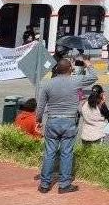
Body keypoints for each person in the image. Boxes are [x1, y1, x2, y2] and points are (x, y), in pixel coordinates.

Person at [36, 58, 97, 194]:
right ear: (70, 69)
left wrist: (38, 120)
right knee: (66, 153)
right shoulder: (76, 81)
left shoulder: (47, 84)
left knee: (49, 153)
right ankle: (64, 184)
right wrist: (88, 65)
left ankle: (44, 184)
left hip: (52, 120)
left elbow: (40, 106)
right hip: (69, 121)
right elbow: (94, 77)